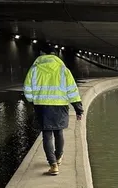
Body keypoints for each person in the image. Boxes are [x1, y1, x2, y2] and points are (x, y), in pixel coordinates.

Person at [23, 43, 84, 175]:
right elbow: (72, 90)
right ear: (55, 55)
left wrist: (32, 101)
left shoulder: (35, 69)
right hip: (60, 105)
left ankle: (53, 164)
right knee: (58, 132)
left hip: (42, 106)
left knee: (46, 134)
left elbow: (27, 89)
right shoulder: (63, 69)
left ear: (42, 54)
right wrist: (78, 109)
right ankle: (58, 156)